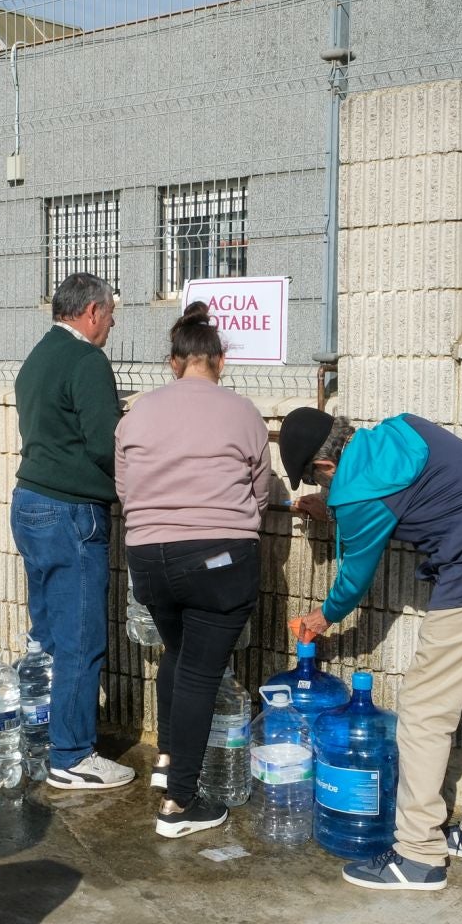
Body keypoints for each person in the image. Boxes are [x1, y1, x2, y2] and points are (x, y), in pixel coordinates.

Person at [283, 406, 462, 892]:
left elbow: (354, 578)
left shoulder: (358, 496)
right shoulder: (407, 428)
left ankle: (418, 854)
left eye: (315, 480)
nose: (323, 487)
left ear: (323, 468)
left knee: (425, 710)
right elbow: (403, 491)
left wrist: (321, 616)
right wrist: (330, 508)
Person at [116, 303, 270, 837]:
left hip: (149, 559)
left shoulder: (136, 413)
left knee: (178, 656)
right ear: (220, 360)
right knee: (202, 673)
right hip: (219, 559)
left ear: (173, 362)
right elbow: (262, 491)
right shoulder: (243, 412)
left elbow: (125, 488)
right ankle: (180, 802)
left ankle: (167, 761)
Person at [10, 271, 135, 791]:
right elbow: (105, 445)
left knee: (46, 636)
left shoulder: (37, 356)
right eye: (109, 314)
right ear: (90, 313)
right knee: (80, 639)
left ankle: (41, 734)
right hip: (70, 512)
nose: (110, 324)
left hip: (30, 501)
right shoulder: (87, 361)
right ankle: (73, 754)